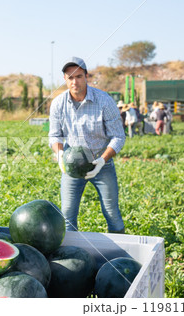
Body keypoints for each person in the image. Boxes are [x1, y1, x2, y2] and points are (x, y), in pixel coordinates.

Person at [49, 57, 126, 233]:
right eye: (70, 77)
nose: (74, 81)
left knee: (111, 211)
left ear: (86, 76)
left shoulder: (104, 101)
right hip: (72, 164)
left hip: (102, 163)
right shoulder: (58, 104)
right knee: (67, 213)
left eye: (78, 76)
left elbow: (118, 136)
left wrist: (102, 160)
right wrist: (60, 154)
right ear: (65, 80)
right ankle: (71, 254)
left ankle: (120, 253)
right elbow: (54, 135)